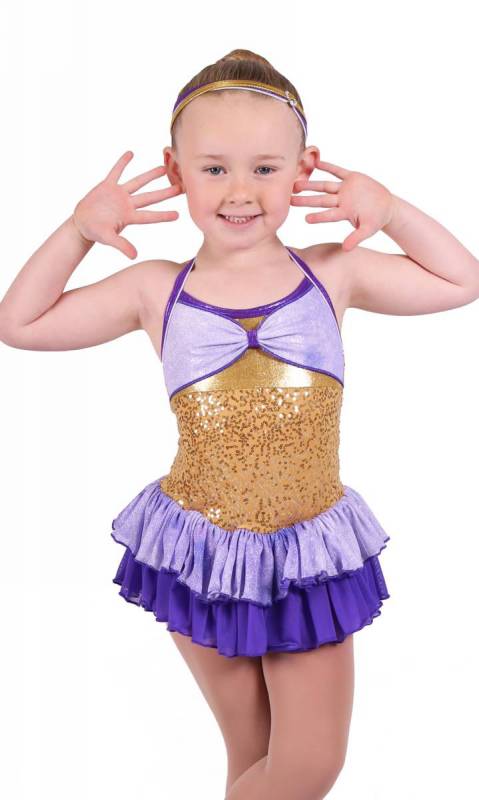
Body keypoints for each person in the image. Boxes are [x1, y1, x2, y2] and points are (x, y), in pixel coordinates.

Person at [1, 47, 478, 800]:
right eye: (214, 168)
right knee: (256, 758)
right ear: (175, 170)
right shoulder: (156, 290)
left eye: (264, 168)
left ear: (302, 169)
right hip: (200, 549)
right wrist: (77, 231)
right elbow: (20, 324)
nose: (239, 191)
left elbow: (461, 279)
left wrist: (390, 213)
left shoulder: (332, 272)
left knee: (306, 766)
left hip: (308, 554)